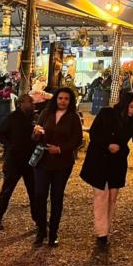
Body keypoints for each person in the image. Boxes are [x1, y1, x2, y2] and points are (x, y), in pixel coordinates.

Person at [80, 91, 133, 253]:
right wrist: (107, 145)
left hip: (117, 163)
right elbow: (94, 133)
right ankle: (101, 233)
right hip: (99, 161)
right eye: (131, 106)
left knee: (112, 198)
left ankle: (105, 229)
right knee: (101, 196)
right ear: (124, 104)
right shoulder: (106, 113)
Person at [31, 87, 83, 248]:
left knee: (56, 197)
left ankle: (53, 233)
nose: (63, 101)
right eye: (60, 98)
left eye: (66, 99)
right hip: (43, 161)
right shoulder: (46, 113)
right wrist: (37, 132)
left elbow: (77, 140)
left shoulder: (73, 117)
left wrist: (61, 149)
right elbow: (35, 136)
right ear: (56, 99)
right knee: (39, 195)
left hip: (62, 164)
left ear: (70, 101)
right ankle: (41, 229)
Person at [0, 94, 37, 231]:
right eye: (30, 102)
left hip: (30, 161)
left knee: (34, 192)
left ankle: (38, 220)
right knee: (7, 191)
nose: (33, 104)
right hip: (14, 161)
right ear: (21, 103)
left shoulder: (34, 118)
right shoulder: (12, 117)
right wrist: (10, 146)